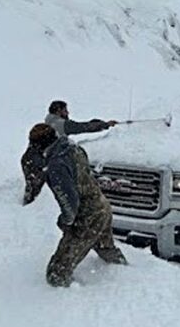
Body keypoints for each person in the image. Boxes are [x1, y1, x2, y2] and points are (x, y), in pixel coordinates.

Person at [22, 123, 127, 287]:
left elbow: (70, 203)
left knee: (56, 273)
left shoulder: (56, 166)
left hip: (87, 217)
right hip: (102, 206)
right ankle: (129, 275)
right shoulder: (72, 147)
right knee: (105, 249)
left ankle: (73, 305)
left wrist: (65, 222)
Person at [45, 100, 117, 137]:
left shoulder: (50, 122)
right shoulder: (60, 124)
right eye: (65, 111)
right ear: (58, 111)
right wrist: (105, 124)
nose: (68, 113)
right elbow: (82, 127)